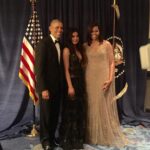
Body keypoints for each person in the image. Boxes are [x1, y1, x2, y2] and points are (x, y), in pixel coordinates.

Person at [83, 23, 128, 148]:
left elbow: (112, 62)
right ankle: (91, 134)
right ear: (88, 32)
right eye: (92, 31)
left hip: (103, 78)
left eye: (96, 31)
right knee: (91, 105)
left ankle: (103, 134)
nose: (94, 34)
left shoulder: (107, 44)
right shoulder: (85, 46)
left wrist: (110, 79)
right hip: (89, 78)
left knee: (102, 105)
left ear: (99, 31)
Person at [35, 19, 64, 150]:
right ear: (50, 28)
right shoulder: (43, 44)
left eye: (61, 28)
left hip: (57, 87)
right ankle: (45, 140)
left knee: (54, 114)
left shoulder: (61, 44)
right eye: (57, 28)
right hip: (46, 88)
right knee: (46, 115)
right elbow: (39, 69)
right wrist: (43, 89)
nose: (60, 30)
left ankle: (51, 138)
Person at [60, 28, 86, 150]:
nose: (75, 38)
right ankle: (66, 139)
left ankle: (76, 138)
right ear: (69, 38)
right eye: (73, 36)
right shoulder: (66, 50)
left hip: (80, 83)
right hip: (71, 82)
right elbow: (66, 70)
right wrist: (70, 86)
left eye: (77, 36)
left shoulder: (79, 49)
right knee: (70, 112)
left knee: (78, 112)